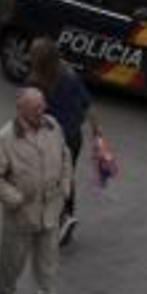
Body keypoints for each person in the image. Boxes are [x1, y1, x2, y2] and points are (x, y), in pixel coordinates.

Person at [0, 87, 72, 294]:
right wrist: (16, 199)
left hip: (51, 210)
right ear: (20, 109)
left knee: (48, 265)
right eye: (35, 108)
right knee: (11, 267)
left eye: (42, 106)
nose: (41, 112)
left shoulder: (52, 125)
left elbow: (66, 155)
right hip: (21, 216)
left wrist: (66, 185)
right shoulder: (5, 137)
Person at [26, 39, 99, 248]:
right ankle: (65, 220)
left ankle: (57, 222)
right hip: (73, 137)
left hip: (50, 140)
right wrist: (97, 130)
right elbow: (87, 104)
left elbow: (29, 115)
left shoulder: (34, 82)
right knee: (66, 178)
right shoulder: (69, 74)